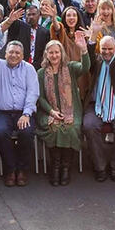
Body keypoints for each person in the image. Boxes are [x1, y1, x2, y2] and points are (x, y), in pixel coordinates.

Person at [0, 19, 40, 187]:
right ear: (5, 54)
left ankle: (22, 169)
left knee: (26, 133)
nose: (14, 55)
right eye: (11, 52)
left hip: (24, 111)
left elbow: (33, 92)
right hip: (2, 112)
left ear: (22, 55)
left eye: (17, 53)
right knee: (0, 133)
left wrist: (26, 114)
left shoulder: (29, 68)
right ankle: (10, 169)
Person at [81, 25, 115, 182]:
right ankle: (100, 166)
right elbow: (88, 57)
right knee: (89, 126)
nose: (106, 52)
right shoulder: (96, 61)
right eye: (104, 49)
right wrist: (93, 36)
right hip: (95, 104)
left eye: (110, 49)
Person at [36, 36, 90, 186]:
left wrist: (84, 50)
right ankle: (55, 167)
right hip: (48, 112)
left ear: (62, 53)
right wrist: (51, 112)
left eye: (57, 52)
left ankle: (66, 168)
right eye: (51, 52)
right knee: (54, 128)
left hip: (72, 110)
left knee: (70, 128)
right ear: (46, 54)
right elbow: (39, 97)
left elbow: (85, 67)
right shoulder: (41, 73)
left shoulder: (71, 68)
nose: (54, 55)